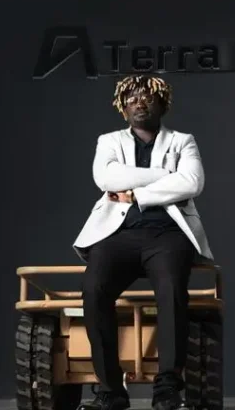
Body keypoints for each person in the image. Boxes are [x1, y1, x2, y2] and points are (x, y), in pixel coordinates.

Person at [72, 74, 215, 410]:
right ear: (123, 107)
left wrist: (136, 193)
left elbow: (192, 182)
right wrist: (166, 176)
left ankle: (167, 390)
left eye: (147, 98)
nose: (139, 103)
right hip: (117, 233)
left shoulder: (182, 141)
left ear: (162, 104)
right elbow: (106, 178)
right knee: (93, 289)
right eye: (132, 99)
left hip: (168, 234)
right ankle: (110, 392)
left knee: (172, 290)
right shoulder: (109, 141)